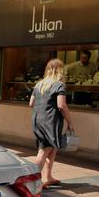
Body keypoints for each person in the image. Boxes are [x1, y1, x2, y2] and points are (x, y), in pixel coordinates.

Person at [29, 58, 74, 188]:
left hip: (38, 119)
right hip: (50, 121)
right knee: (43, 151)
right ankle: (32, 180)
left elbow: (31, 103)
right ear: (60, 71)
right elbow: (61, 105)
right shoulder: (59, 85)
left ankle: (47, 177)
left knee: (52, 148)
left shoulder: (39, 84)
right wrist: (70, 122)